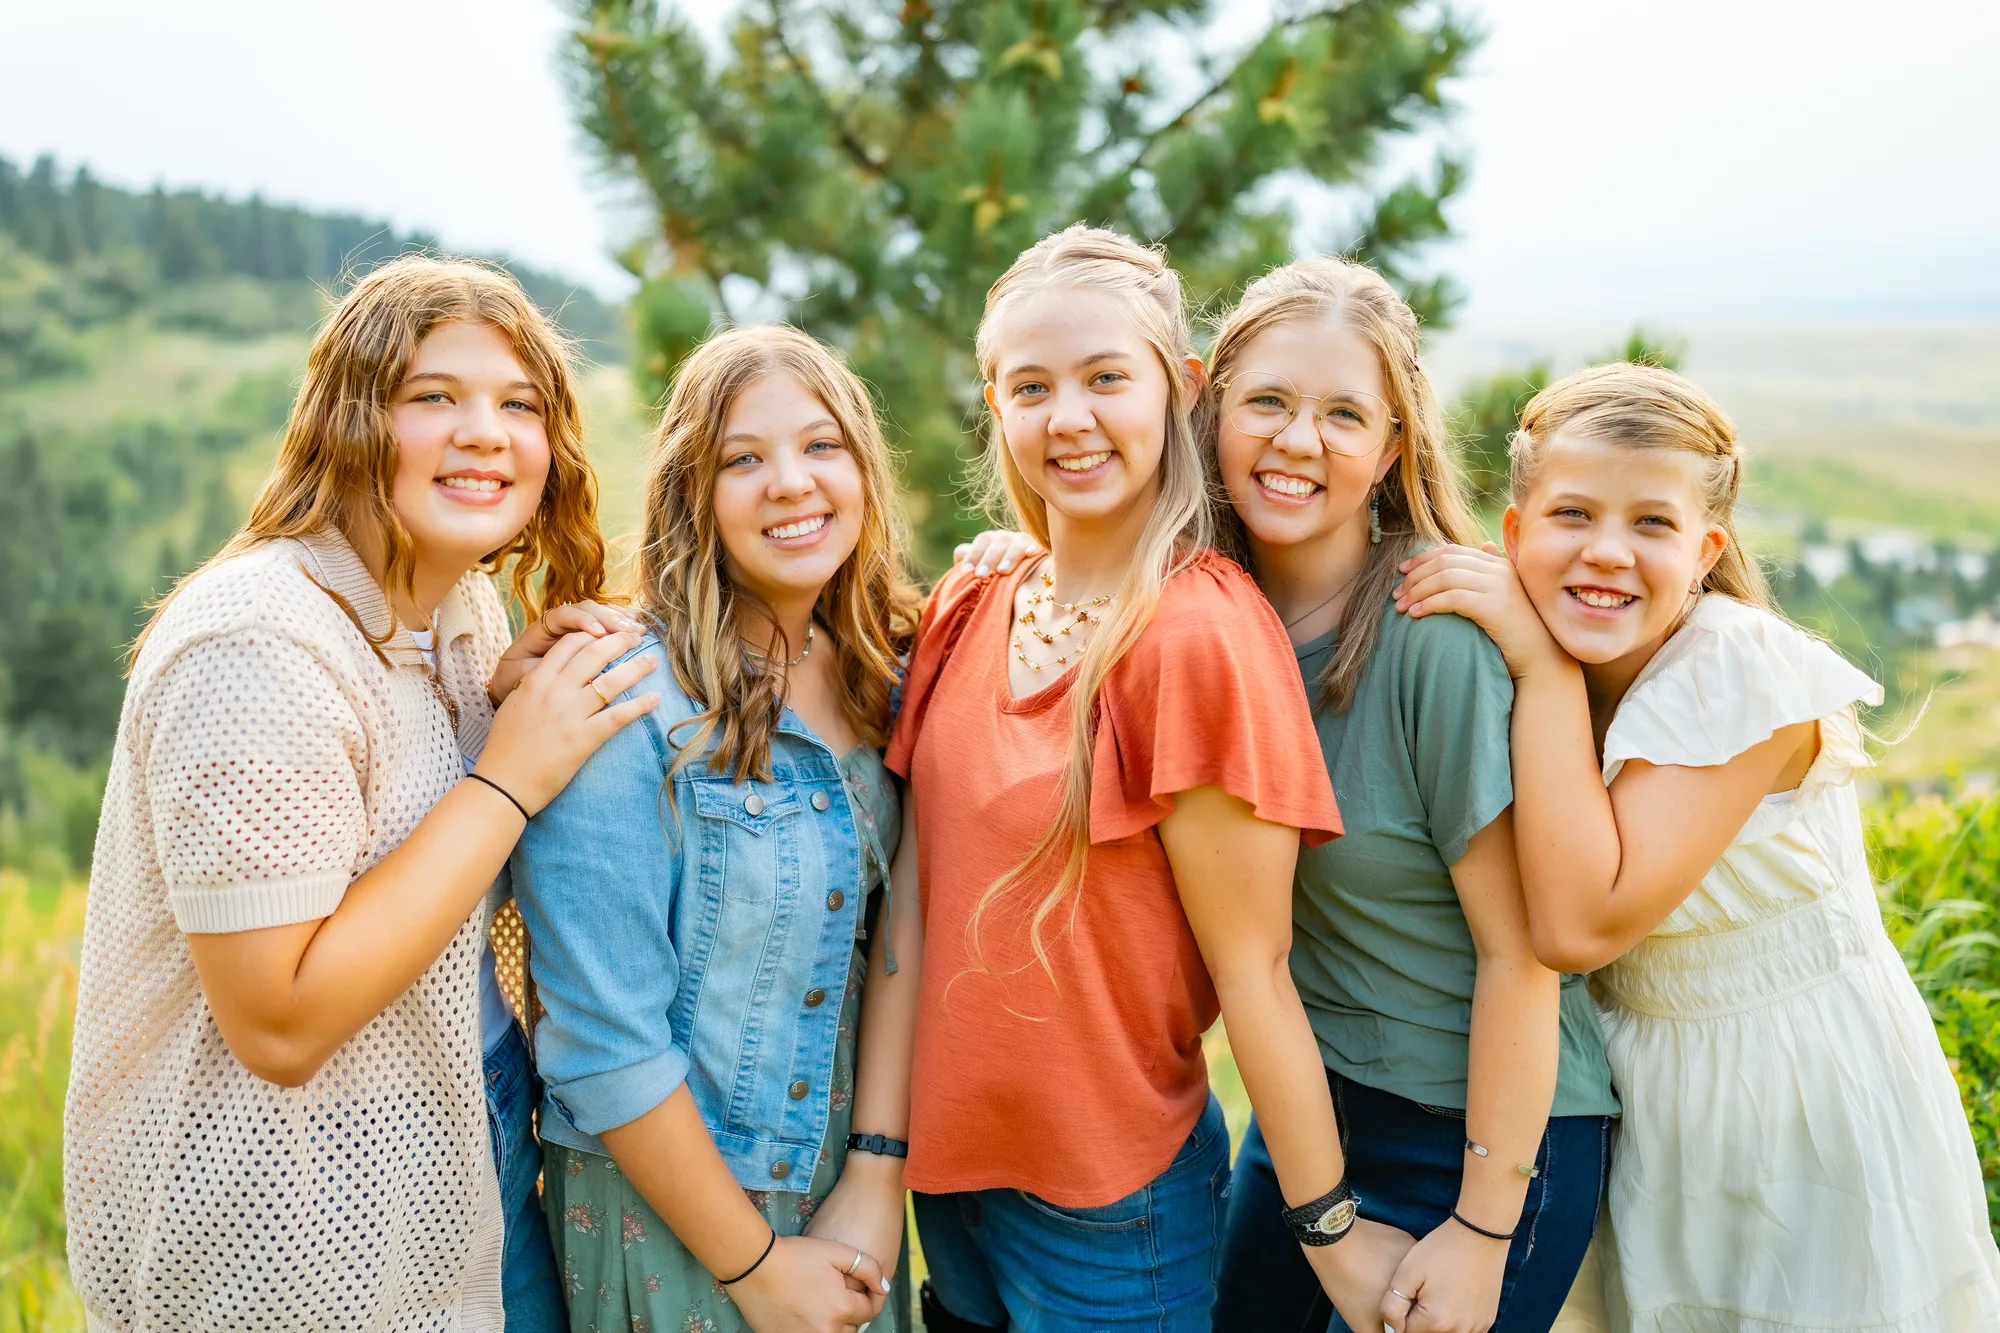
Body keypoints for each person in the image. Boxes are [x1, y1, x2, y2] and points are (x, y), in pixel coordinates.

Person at [64, 255, 660, 1331]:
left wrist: (503, 704)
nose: (485, 431)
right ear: (348, 420)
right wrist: (509, 772)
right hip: (285, 1233)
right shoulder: (257, 640)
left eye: (518, 404)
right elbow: (282, 1022)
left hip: (474, 1155)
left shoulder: (462, 610)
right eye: (433, 396)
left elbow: (423, 836)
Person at [1396, 362, 2000, 1331]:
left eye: (1650, 523)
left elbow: (1574, 921)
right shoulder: (1567, 664)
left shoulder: (1733, 670)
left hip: (1796, 1101)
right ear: (1512, 533)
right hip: (1654, 1101)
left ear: (1703, 546)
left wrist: (1540, 669)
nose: (1605, 553)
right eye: (1571, 515)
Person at [888, 226, 1402, 1333]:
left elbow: (1255, 972)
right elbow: (908, 911)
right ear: (995, 403)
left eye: (1104, 378)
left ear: (1177, 388)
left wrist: (1330, 1230)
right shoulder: (971, 604)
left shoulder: (1196, 636)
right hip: (946, 1184)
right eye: (1030, 386)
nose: (1067, 416)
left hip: (1107, 1209)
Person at [512, 325, 962, 1333]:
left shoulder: (890, 666)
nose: (790, 483)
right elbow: (603, 1044)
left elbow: (898, 935)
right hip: (673, 1210)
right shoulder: (621, 700)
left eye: (821, 446)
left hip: (840, 1192)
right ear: (691, 495)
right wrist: (754, 1266)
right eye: (742, 460)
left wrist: (876, 1179)